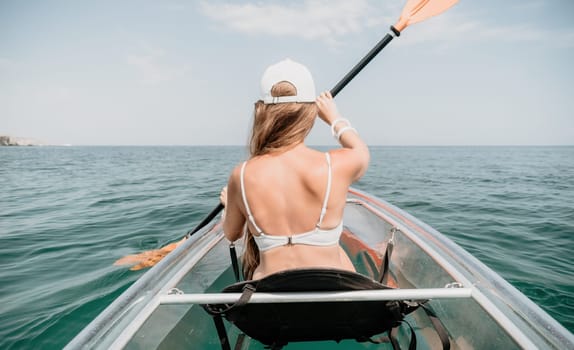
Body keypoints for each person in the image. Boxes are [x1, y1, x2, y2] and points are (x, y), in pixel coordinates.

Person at [220, 58, 370, 280]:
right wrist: (334, 118)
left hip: (272, 301)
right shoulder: (333, 167)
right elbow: (361, 152)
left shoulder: (241, 176)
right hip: (332, 296)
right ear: (309, 113)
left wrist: (229, 204)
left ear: (262, 112)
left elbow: (231, 234)